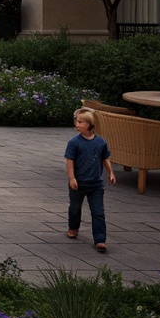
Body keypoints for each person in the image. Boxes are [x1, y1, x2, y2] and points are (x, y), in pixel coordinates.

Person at [65, 107, 115, 253]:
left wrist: (110, 172)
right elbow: (69, 161)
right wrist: (72, 178)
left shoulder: (100, 142)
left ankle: (100, 239)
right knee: (75, 207)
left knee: (98, 211)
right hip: (78, 183)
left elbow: (105, 158)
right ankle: (73, 227)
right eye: (76, 121)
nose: (77, 124)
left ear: (89, 124)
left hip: (96, 184)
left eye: (80, 122)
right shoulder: (74, 143)